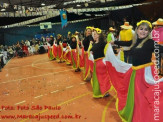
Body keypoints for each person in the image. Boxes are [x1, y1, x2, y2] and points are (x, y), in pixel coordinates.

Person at [107, 20, 163, 122]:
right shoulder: (135, 41)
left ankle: (143, 117)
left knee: (142, 97)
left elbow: (161, 49)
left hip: (144, 74)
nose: (143, 31)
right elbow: (127, 44)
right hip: (135, 73)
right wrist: (115, 42)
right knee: (135, 97)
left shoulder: (150, 42)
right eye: (141, 29)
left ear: (149, 32)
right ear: (137, 30)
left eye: (146, 30)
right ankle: (136, 115)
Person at [90, 28, 111, 98]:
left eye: (95, 34)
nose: (94, 35)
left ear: (99, 35)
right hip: (96, 63)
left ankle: (105, 91)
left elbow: (108, 50)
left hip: (101, 63)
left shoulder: (102, 43)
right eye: (93, 34)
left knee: (102, 78)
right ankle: (101, 92)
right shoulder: (94, 43)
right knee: (98, 78)